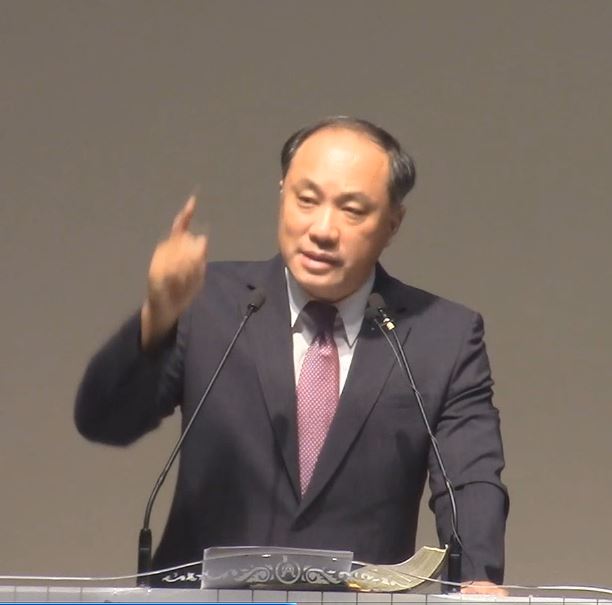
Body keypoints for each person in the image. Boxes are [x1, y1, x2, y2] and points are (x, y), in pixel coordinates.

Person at [75, 116, 508, 594]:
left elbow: (469, 478)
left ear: (392, 223)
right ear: (283, 194)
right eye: (306, 200)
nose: (322, 229)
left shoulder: (442, 336)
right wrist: (155, 318)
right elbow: (104, 421)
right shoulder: (208, 303)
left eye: (352, 210)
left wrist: (475, 580)